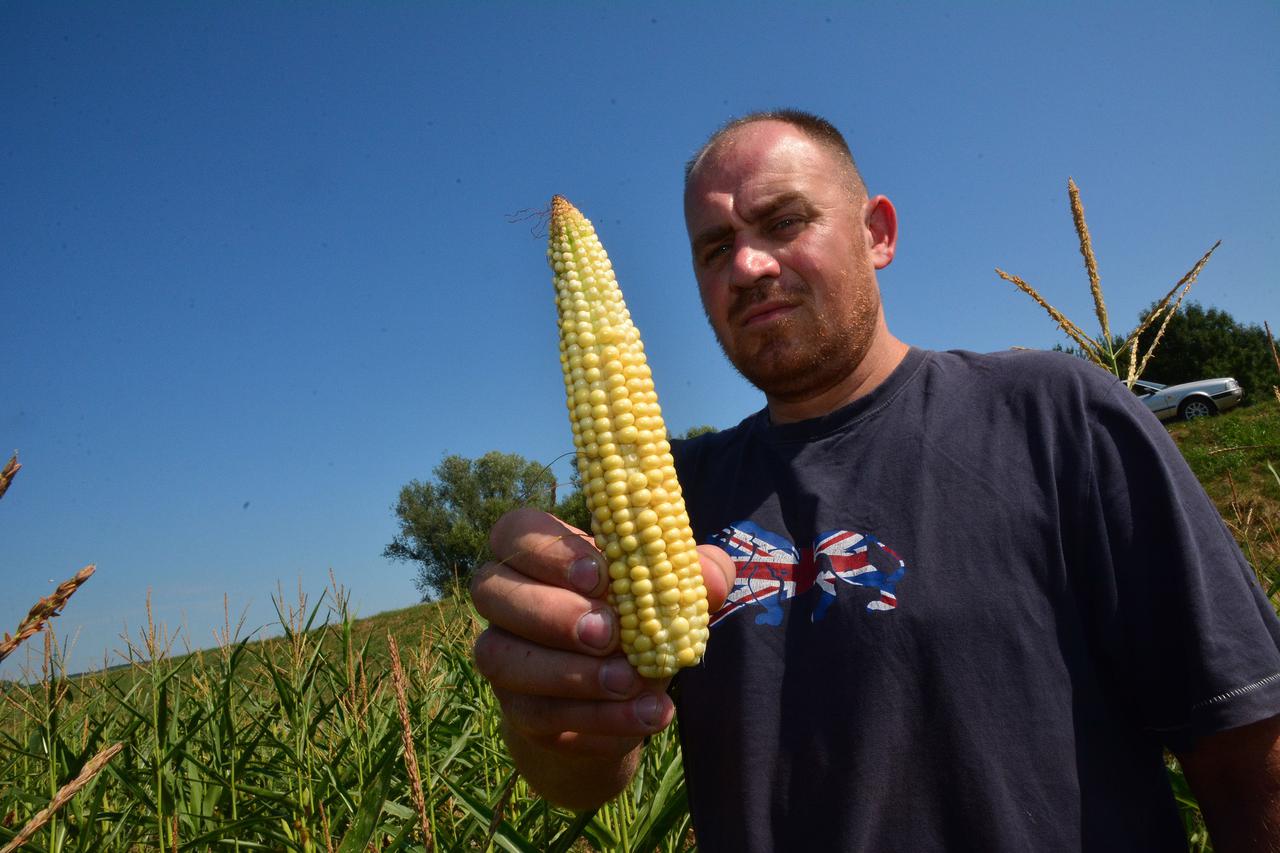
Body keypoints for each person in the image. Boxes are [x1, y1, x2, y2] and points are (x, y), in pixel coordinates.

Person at [470, 110, 1280, 851]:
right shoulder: (683, 493)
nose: (747, 265)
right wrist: (556, 722)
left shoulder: (1056, 413)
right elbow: (585, 767)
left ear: (877, 232)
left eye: (783, 221)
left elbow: (1249, 743)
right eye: (714, 249)